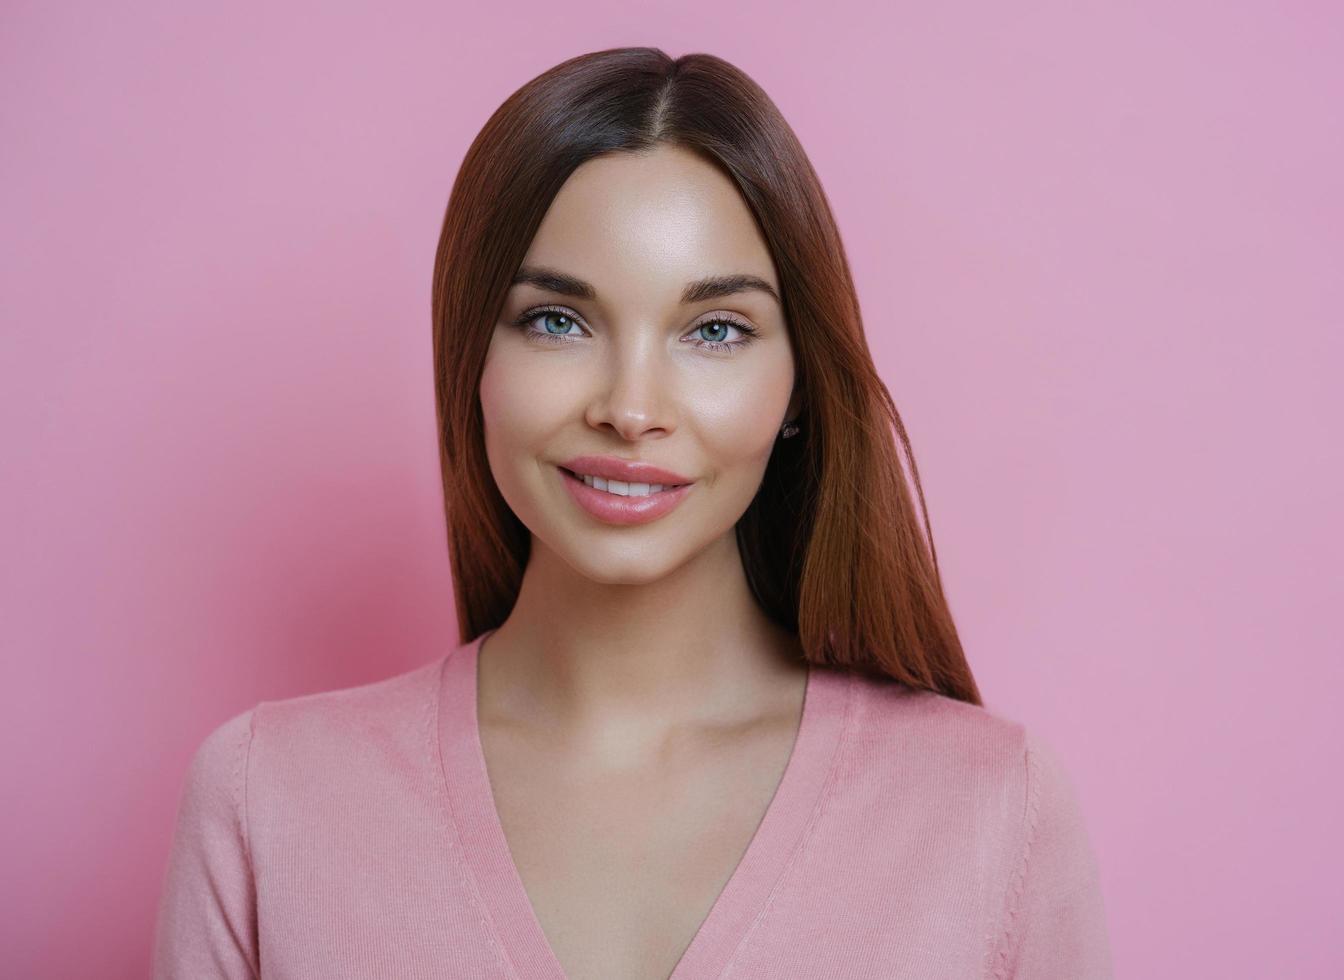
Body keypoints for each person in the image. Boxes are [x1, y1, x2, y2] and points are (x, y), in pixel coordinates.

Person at [151, 46, 1114, 979]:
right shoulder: (266, 802)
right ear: (472, 360)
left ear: (798, 391)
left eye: (714, 330)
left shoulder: (990, 813)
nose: (631, 406)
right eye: (557, 320)